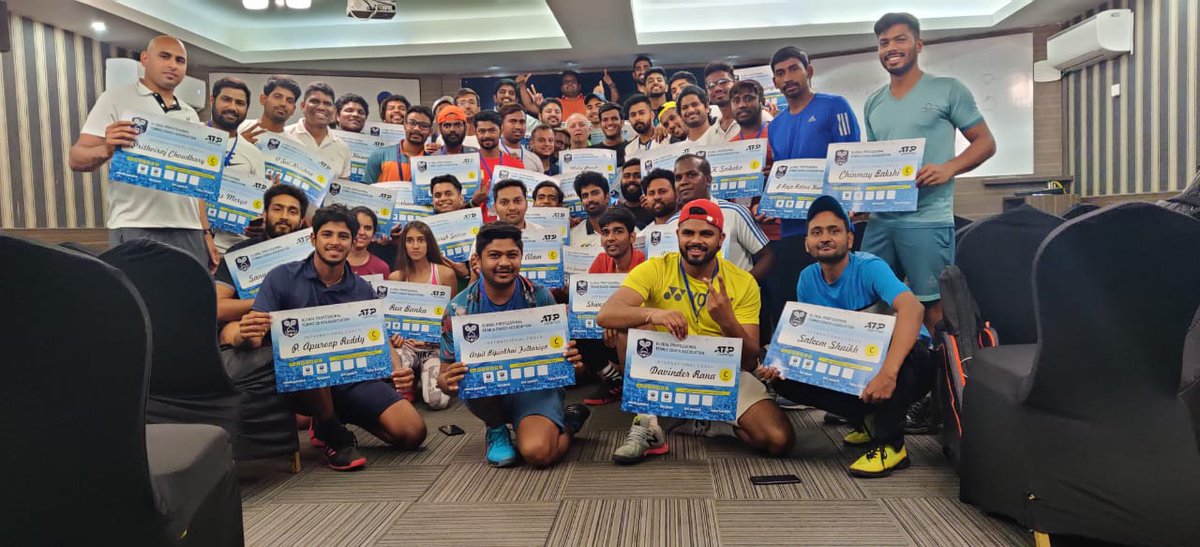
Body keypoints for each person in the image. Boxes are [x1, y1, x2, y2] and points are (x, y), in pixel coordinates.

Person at [597, 199, 793, 464]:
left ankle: (710, 423)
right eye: (688, 233)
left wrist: (727, 321)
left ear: (721, 239)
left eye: (706, 234)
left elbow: (749, 360)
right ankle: (647, 424)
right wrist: (655, 313)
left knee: (778, 440)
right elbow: (606, 314)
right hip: (668, 367)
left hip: (720, 372)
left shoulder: (743, 281)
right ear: (677, 234)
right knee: (629, 326)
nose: (696, 241)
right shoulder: (656, 268)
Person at [235, 205, 427, 470]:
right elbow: (254, 337)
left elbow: (380, 339)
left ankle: (336, 414)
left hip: (351, 380)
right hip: (301, 384)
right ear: (313, 239)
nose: (335, 242)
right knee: (312, 359)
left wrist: (398, 370)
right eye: (327, 234)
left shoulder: (362, 290)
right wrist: (246, 334)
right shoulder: (282, 277)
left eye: (343, 236)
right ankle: (332, 431)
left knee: (412, 433)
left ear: (352, 242)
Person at [760, 195, 931, 477]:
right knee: (786, 381)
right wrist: (783, 364)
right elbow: (810, 340)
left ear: (850, 239)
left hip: (910, 360)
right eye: (817, 232)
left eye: (834, 230)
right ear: (807, 243)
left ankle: (892, 446)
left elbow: (913, 308)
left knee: (892, 351)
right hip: (858, 360)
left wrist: (888, 373)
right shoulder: (807, 278)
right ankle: (867, 421)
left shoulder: (869, 267)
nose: (825, 237)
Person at [863, 12, 996, 333]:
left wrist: (949, 168)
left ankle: (945, 381)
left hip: (926, 219)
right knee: (868, 301)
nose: (891, 48)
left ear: (918, 44)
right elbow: (874, 163)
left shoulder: (948, 89)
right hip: (881, 220)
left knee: (933, 307)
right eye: (884, 42)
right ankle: (886, 377)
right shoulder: (873, 103)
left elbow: (986, 142)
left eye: (900, 39)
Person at [436, 223, 591, 468]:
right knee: (473, 377)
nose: (504, 263)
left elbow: (569, 371)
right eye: (495, 255)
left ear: (521, 256)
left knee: (538, 454)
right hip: (489, 395)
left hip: (534, 389)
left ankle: (569, 426)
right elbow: (443, 379)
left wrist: (574, 364)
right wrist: (449, 380)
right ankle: (496, 429)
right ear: (477, 260)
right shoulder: (459, 308)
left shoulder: (540, 297)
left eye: (512, 255)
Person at [69, 35, 219, 269]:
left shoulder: (190, 113)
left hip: (188, 229)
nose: (172, 65)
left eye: (180, 60)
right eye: (165, 56)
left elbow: (196, 186)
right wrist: (107, 147)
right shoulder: (116, 98)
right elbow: (76, 159)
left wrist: (206, 232)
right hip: (137, 224)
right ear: (145, 59)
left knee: (190, 302)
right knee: (139, 302)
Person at [214, 184, 308, 335]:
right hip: (248, 331)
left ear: (301, 220)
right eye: (277, 209)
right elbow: (217, 307)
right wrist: (267, 301)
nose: (284, 216)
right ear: (264, 214)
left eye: (292, 211)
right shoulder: (239, 253)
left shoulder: (313, 256)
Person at [387, 220, 458, 410]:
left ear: (429, 243)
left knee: (438, 402)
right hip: (408, 347)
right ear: (404, 245)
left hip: (434, 348)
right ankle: (411, 378)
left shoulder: (445, 274)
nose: (416, 245)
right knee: (393, 361)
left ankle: (422, 377)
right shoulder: (395, 278)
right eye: (410, 240)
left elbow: (451, 321)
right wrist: (395, 338)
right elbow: (391, 322)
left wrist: (437, 342)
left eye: (421, 240)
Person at [579, 208, 646, 406]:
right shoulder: (600, 261)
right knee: (575, 324)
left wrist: (615, 322)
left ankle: (632, 382)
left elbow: (646, 310)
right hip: (605, 330)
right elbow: (587, 303)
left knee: (628, 330)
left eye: (618, 231)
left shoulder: (645, 264)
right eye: (606, 232)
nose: (610, 238)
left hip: (633, 330)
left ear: (632, 237)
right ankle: (614, 378)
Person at [671, 154, 773, 280]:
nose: (683, 182)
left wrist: (742, 287)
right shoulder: (672, 223)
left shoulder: (735, 212)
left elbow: (767, 256)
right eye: (678, 178)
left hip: (735, 297)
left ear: (708, 180)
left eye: (692, 175)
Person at [206, 76, 266, 253]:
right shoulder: (192, 137)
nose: (232, 107)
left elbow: (257, 206)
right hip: (190, 241)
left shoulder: (253, 153)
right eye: (226, 99)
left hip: (231, 248)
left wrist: (259, 223)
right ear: (212, 100)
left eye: (240, 103)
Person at [284, 82, 351, 179]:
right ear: (303, 106)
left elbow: (342, 189)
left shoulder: (343, 148)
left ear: (334, 111)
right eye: (314, 101)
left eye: (327, 104)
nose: (321, 107)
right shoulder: (284, 135)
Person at [472, 110, 528, 221]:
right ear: (475, 132)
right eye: (482, 131)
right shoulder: (468, 165)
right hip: (477, 230)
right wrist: (474, 202)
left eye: (492, 130)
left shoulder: (516, 165)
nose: (487, 135)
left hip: (508, 229)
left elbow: (524, 202)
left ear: (501, 129)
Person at [364, 105, 434, 183]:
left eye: (424, 126)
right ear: (404, 126)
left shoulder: (432, 162)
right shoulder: (380, 154)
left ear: (430, 132)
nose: (417, 128)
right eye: (412, 123)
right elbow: (367, 189)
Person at [238, 75, 301, 145]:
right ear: (263, 99)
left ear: (293, 109)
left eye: (289, 101)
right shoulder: (238, 128)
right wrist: (238, 145)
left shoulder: (295, 147)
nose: (283, 103)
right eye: (277, 97)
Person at [519, 70, 586, 120]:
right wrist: (522, 85)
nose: (569, 83)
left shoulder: (588, 101)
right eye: (566, 82)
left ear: (579, 86)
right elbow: (529, 106)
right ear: (562, 88)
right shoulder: (555, 103)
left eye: (573, 81)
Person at [569, 171, 612, 248]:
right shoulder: (573, 236)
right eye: (585, 195)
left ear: (607, 197)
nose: (590, 199)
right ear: (581, 202)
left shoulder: (627, 229)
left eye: (595, 193)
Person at [498, 103, 544, 173]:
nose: (518, 127)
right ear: (501, 124)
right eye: (513, 122)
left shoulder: (535, 159)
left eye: (522, 122)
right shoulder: (490, 153)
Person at [347, 206, 391, 277]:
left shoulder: (381, 268)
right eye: (357, 226)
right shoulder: (333, 260)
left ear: (374, 233)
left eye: (368, 228)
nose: (362, 232)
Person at [615, 158, 654, 229]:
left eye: (637, 176)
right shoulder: (615, 213)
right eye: (626, 176)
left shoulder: (655, 211)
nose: (631, 180)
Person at [623, 94, 659, 161]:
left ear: (652, 115)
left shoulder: (666, 137)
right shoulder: (629, 149)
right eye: (633, 115)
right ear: (629, 120)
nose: (637, 118)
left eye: (641, 113)